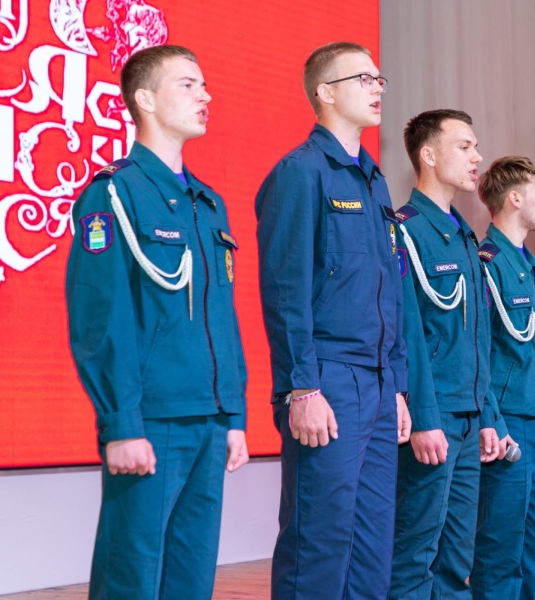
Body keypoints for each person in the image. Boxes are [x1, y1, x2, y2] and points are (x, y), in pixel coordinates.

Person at [65, 44, 249, 600]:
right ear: (144, 99)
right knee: (132, 577)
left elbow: (222, 319)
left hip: (209, 420)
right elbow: (101, 319)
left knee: (191, 579)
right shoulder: (113, 193)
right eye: (188, 85)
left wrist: (233, 414)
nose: (205, 95)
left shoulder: (207, 203)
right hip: (153, 420)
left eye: (204, 84)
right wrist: (121, 423)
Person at [255, 42, 411, 599]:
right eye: (363, 78)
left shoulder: (374, 181)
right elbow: (285, 291)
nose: (377, 88)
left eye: (379, 79)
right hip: (329, 378)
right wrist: (302, 386)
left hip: (378, 382)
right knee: (318, 544)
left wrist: (398, 386)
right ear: (325, 92)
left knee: (372, 548)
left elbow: (389, 291)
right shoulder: (300, 173)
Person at [389, 109, 506, 599]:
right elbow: (405, 336)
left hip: (467, 415)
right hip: (433, 416)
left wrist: (487, 416)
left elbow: (477, 342)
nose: (477, 156)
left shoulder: (463, 236)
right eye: (464, 146)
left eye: (475, 146)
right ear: (429, 155)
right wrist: (423, 417)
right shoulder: (405, 231)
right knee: (415, 552)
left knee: (457, 558)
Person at [470, 156, 535, 599]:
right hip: (511, 425)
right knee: (501, 552)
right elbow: (479, 353)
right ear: (515, 199)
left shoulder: (533, 267)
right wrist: (493, 420)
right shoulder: (487, 263)